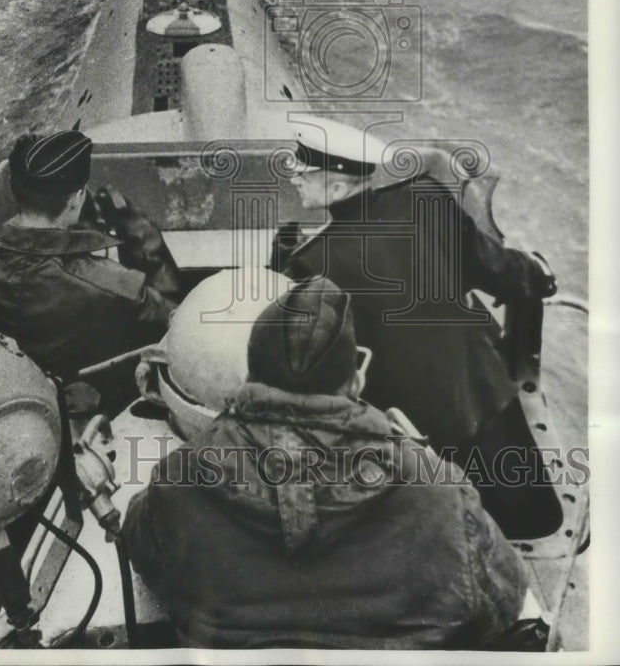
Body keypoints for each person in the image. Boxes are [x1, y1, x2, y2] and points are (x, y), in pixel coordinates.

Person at [123, 276, 529, 650]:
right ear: (355, 382)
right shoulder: (442, 496)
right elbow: (504, 605)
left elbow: (142, 548)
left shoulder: (176, 485)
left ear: (249, 381)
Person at [271, 115, 561, 539]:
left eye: (303, 169)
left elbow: (305, 354)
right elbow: (492, 265)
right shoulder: (425, 196)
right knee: (529, 522)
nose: (293, 177)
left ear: (337, 184)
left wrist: (277, 267)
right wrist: (537, 273)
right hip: (481, 390)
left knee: (448, 535)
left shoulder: (312, 261)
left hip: (411, 430)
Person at [0, 131, 181, 406]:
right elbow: (174, 322)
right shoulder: (114, 286)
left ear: (15, 189)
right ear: (76, 199)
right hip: (84, 404)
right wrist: (136, 228)